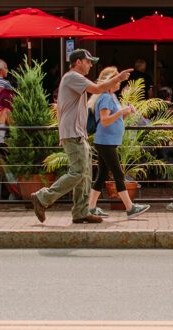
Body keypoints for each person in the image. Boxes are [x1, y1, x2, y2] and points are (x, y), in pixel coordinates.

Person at [31, 49, 132, 225]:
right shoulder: (72, 77)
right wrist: (118, 78)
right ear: (78, 62)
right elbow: (98, 88)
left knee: (85, 175)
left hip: (78, 133)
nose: (90, 65)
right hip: (73, 133)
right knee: (78, 172)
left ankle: (80, 212)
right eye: (88, 61)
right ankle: (43, 197)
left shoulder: (74, 79)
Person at [87, 67, 150, 220]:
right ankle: (130, 208)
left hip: (107, 141)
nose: (119, 82)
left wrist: (125, 112)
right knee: (118, 174)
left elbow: (115, 119)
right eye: (116, 79)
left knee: (102, 175)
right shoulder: (106, 97)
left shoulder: (111, 96)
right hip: (105, 142)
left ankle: (91, 208)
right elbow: (104, 120)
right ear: (110, 81)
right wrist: (121, 112)